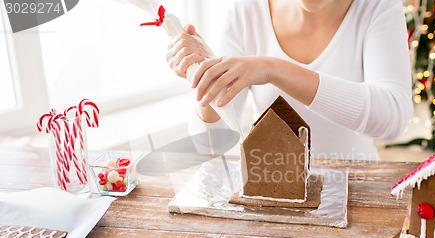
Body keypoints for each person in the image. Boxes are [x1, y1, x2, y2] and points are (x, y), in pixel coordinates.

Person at [166, 0, 412, 160]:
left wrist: (274, 68)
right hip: (270, 191)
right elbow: (211, 145)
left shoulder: (378, 7)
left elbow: (392, 120)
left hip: (357, 190)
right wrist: (205, 76)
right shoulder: (246, 12)